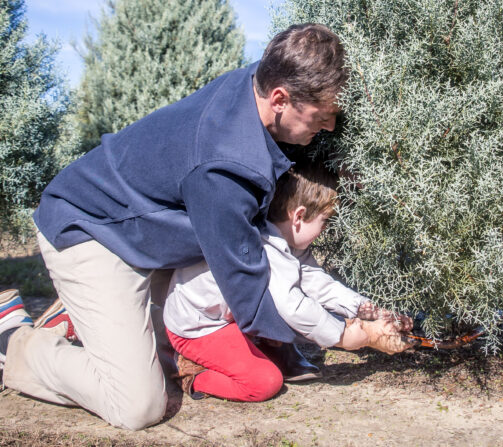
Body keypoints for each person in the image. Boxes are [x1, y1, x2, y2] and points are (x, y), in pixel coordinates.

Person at [0, 24, 347, 429]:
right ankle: (8, 340)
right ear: (280, 98)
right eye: (322, 115)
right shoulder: (225, 163)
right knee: (138, 406)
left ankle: (85, 315)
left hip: (143, 232)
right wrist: (326, 334)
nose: (328, 126)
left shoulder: (256, 83)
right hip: (92, 233)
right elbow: (246, 281)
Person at [163, 160, 413, 402]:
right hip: (199, 328)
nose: (325, 230)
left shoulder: (287, 240)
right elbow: (292, 305)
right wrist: (344, 336)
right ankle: (193, 373)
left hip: (233, 317)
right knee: (263, 382)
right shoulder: (264, 247)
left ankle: (262, 346)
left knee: (279, 330)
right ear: (299, 216)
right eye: (325, 222)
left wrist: (367, 310)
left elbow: (317, 282)